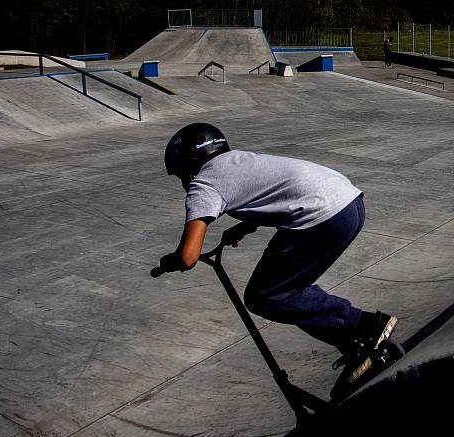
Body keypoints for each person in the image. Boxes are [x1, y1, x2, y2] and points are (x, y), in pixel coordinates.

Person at [154, 123, 398, 399]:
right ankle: (357, 346)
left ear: (190, 164)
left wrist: (171, 261)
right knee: (289, 290)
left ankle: (363, 325)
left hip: (322, 216)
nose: (184, 184)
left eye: (180, 176)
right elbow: (270, 189)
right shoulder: (238, 160)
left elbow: (188, 256)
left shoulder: (204, 185)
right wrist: (244, 226)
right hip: (350, 203)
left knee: (266, 295)